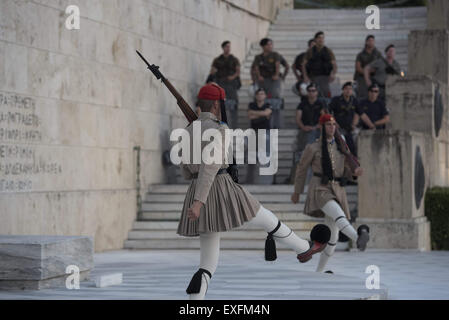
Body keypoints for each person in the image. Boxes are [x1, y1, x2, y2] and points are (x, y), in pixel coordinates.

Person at [177, 83, 331, 300]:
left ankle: (195, 304)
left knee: (207, 263)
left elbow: (185, 170)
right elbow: (211, 166)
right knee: (265, 216)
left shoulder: (187, 130)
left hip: (197, 189)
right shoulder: (220, 128)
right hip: (220, 187)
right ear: (214, 105)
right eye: (220, 105)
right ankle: (303, 248)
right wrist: (199, 202)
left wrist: (198, 197)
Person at [291, 114, 370, 273]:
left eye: (334, 125)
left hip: (337, 189)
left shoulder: (342, 147)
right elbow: (301, 170)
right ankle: (357, 238)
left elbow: (347, 170)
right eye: (328, 125)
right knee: (339, 215)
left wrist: (355, 172)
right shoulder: (313, 147)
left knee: (332, 237)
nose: (332, 127)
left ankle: (319, 271)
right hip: (320, 188)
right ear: (322, 127)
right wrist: (297, 191)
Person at [288, 83, 327, 183]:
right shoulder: (302, 104)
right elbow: (298, 118)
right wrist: (304, 127)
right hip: (304, 131)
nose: (311, 93)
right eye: (309, 91)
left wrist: (316, 126)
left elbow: (324, 117)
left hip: (317, 131)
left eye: (313, 91)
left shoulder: (321, 103)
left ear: (317, 92)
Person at [209, 41, 241, 128]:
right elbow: (212, 71)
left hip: (231, 85)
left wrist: (232, 77)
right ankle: (221, 127)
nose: (228, 48)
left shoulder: (234, 59)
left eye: (229, 47)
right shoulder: (217, 60)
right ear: (223, 48)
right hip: (221, 84)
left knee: (233, 106)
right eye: (227, 46)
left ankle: (234, 127)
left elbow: (238, 71)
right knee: (221, 106)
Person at [247, 88, 272, 184]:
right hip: (254, 132)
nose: (260, 95)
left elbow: (267, 113)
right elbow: (250, 115)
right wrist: (263, 115)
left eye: (262, 94)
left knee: (265, 155)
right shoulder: (251, 104)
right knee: (252, 156)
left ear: (265, 96)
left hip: (265, 132)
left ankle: (266, 181)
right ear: (256, 96)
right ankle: (251, 180)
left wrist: (255, 114)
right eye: (258, 94)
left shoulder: (268, 105)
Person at [302, 31, 337, 99]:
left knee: (325, 95)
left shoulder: (328, 51)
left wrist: (333, 74)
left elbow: (334, 64)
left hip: (325, 77)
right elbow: (304, 65)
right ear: (315, 39)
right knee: (314, 95)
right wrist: (305, 76)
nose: (321, 39)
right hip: (313, 76)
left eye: (322, 38)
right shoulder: (310, 51)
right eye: (319, 38)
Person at [328, 82, 359, 156]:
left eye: (350, 89)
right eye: (346, 89)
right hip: (339, 129)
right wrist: (334, 123)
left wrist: (354, 124)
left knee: (353, 148)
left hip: (350, 129)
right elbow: (328, 111)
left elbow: (359, 113)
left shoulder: (354, 100)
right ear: (343, 90)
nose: (348, 91)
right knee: (340, 147)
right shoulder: (336, 100)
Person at [353, 35, 381, 100]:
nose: (371, 42)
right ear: (366, 42)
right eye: (369, 41)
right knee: (362, 97)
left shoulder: (378, 54)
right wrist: (367, 72)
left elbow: (380, 66)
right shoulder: (360, 55)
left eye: (372, 41)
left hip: (374, 78)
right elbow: (358, 68)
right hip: (361, 78)